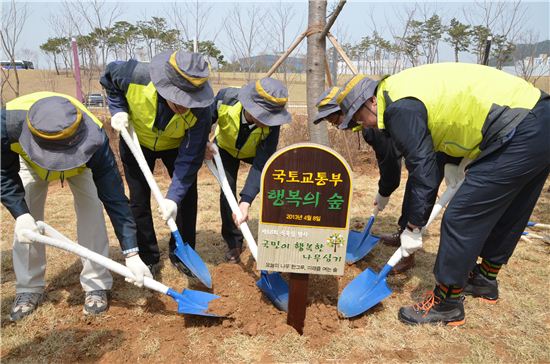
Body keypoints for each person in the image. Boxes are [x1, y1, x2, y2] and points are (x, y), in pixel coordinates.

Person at [337, 63, 549, 326]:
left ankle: (447, 303)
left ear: (370, 101)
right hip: (539, 117)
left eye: (358, 118)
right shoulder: (402, 90)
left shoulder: (398, 108)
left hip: (520, 127)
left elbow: (422, 172)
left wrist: (413, 227)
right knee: (512, 209)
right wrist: (453, 163)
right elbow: (449, 124)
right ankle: (484, 280)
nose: (360, 125)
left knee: (461, 217)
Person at [1, 92, 152, 321]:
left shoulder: (96, 139)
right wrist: (20, 213)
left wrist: (131, 253)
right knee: (26, 227)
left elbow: (115, 199)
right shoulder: (6, 125)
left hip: (83, 165)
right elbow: (2, 172)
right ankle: (28, 288)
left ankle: (96, 284)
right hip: (30, 162)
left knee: (92, 211)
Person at [313, 86, 462, 274]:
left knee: (419, 185)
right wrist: (384, 190)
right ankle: (403, 233)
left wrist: (385, 190)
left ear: (348, 109)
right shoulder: (367, 121)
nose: (339, 126)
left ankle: (407, 252)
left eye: (336, 120)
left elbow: (391, 163)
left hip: (441, 140)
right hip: (424, 141)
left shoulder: (374, 123)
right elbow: (387, 159)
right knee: (416, 183)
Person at [100, 51, 214, 277]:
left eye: (190, 100)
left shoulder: (202, 110)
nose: (185, 107)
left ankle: (182, 252)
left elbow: (190, 159)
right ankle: (148, 255)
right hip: (136, 140)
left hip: (175, 144)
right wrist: (118, 109)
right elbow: (109, 80)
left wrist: (173, 198)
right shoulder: (133, 75)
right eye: (180, 99)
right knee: (139, 198)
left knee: (186, 195)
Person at [207, 77, 292, 263]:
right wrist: (203, 142)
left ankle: (280, 235)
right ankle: (234, 243)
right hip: (226, 149)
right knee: (227, 191)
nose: (269, 121)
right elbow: (205, 120)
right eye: (265, 116)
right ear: (252, 108)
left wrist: (246, 201)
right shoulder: (225, 99)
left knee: (275, 179)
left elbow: (261, 163)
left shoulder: (272, 126)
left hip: (254, 152)